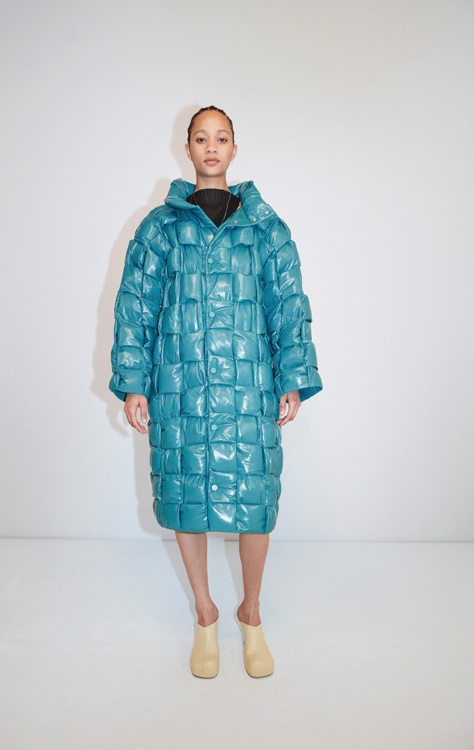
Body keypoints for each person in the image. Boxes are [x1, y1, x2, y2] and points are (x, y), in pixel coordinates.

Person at [109, 105, 323, 678]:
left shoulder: (265, 227)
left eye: (221, 137)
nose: (211, 146)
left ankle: (251, 613)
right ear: (187, 149)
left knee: (256, 504)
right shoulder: (159, 227)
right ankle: (205, 615)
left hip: (251, 386)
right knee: (185, 497)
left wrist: (292, 377)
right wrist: (134, 383)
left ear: (234, 148)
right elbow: (135, 305)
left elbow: (288, 303)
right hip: (179, 386)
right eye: (201, 137)